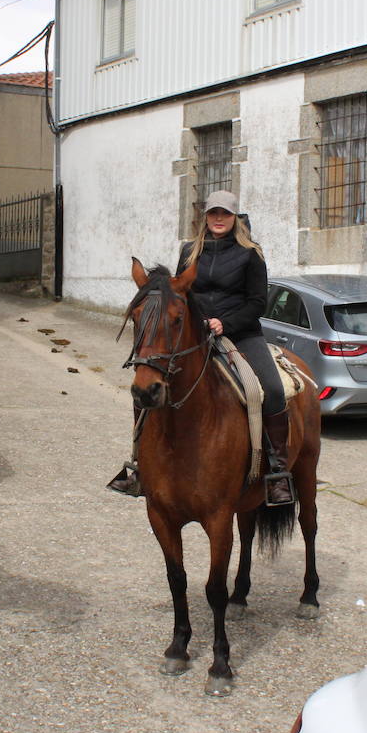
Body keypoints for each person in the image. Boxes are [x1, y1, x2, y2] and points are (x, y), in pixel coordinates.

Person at [109, 189, 295, 506]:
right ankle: (139, 464)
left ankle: (277, 472)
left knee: (272, 390)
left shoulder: (251, 253)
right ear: (205, 217)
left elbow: (257, 303)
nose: (219, 219)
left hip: (241, 333)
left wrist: (226, 323)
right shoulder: (189, 251)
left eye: (225, 213)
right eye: (213, 213)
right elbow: (182, 294)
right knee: (146, 383)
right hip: (196, 334)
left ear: (235, 217)